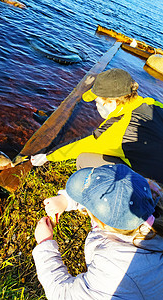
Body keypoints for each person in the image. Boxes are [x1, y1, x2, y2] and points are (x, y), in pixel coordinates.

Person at [33, 164, 163, 299]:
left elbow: (61, 294)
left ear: (100, 222)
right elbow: (114, 198)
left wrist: (45, 243)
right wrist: (66, 200)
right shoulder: (151, 198)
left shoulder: (116, 269)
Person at [31, 68, 163, 184]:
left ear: (111, 102)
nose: (96, 106)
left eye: (98, 102)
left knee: (84, 159)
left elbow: (80, 145)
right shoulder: (153, 104)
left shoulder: (119, 129)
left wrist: (46, 157)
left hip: (154, 188)